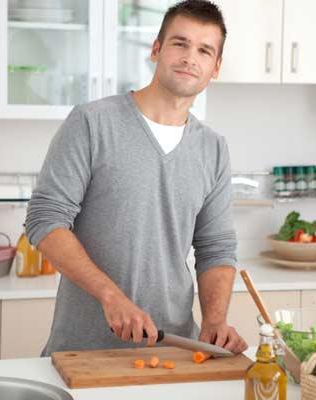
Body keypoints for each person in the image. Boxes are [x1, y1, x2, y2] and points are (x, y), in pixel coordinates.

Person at [25, 0, 248, 356]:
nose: (191, 57)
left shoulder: (213, 149)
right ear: (157, 49)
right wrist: (110, 296)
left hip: (173, 349)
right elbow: (45, 220)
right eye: (180, 43)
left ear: (215, 67)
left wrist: (215, 321)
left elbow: (216, 248)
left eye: (205, 50)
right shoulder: (92, 123)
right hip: (84, 351)